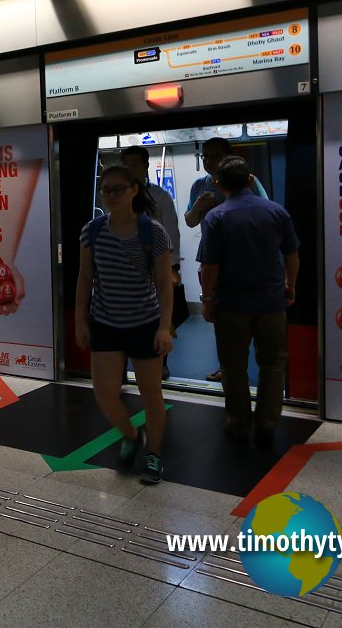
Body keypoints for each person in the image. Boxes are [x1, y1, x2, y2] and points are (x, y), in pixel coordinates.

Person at [74, 165, 174, 484]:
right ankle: (131, 435)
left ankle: (154, 455)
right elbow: (84, 278)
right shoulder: (93, 231)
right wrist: (80, 319)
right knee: (104, 392)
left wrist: (164, 327)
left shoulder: (152, 231)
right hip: (105, 321)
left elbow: (164, 282)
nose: (112, 195)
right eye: (106, 190)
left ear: (134, 190)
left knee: (150, 393)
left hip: (145, 322)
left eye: (118, 189)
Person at [199, 156, 299, 447]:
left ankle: (238, 424)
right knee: (273, 362)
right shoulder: (276, 212)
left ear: (218, 184)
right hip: (271, 302)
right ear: (250, 180)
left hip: (231, 304)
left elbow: (210, 266)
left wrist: (207, 300)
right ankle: (267, 423)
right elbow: (291, 254)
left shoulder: (216, 217)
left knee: (232, 365)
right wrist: (289, 284)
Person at [183, 137, 268, 382]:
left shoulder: (248, 181)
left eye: (215, 156)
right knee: (220, 315)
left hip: (247, 257)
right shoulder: (199, 185)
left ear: (228, 157)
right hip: (212, 258)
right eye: (205, 156)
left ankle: (259, 365)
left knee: (251, 314)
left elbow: (265, 209)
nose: (209, 161)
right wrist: (198, 206)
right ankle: (227, 365)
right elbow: (189, 221)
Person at [121, 146, 181, 380]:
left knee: (157, 317)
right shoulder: (119, 196)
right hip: (126, 269)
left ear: (146, 166)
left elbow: (171, 233)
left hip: (155, 268)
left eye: (135, 163)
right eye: (126, 163)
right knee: (125, 317)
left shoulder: (160, 197)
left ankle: (160, 362)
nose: (130, 168)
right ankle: (123, 363)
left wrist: (173, 267)